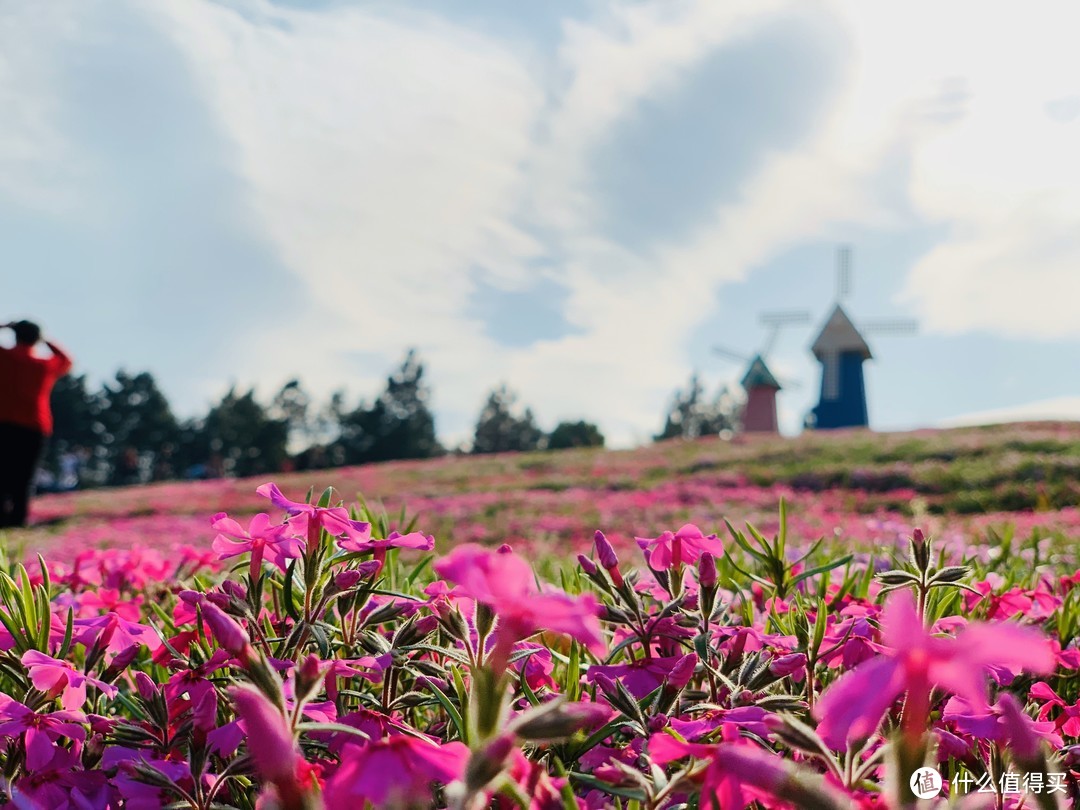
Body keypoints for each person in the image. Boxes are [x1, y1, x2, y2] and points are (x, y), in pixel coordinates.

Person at [0, 321, 73, 528]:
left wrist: (4, 326)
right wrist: (46, 338)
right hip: (35, 426)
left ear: (15, 336)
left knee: (2, 473)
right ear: (36, 339)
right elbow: (67, 360)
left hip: (4, 422)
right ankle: (18, 520)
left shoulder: (4, 357)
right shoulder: (44, 365)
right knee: (25, 476)